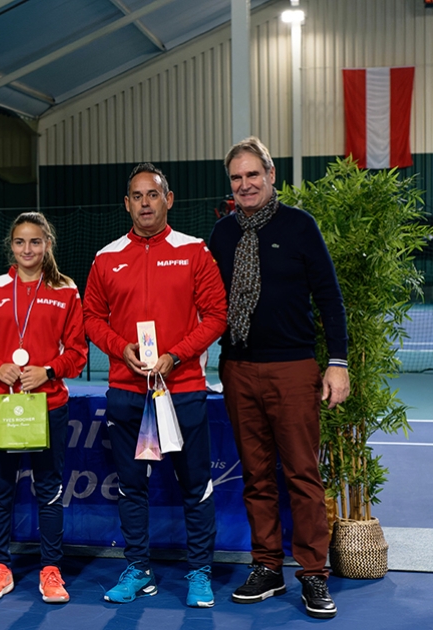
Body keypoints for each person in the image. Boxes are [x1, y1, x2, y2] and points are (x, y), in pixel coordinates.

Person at [208, 137, 349, 620]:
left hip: (293, 369)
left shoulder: (300, 226)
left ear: (270, 175)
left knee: (303, 475)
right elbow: (206, 306)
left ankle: (312, 573)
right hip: (238, 369)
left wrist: (339, 362)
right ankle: (267, 566)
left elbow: (330, 298)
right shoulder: (221, 235)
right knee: (255, 475)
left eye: (252, 174)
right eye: (236, 177)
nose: (245, 184)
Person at [84, 163, 228, 608]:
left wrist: (177, 355)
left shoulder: (195, 251)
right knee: (131, 486)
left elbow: (217, 315)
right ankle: (138, 569)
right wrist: (120, 347)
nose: (145, 202)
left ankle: (200, 572)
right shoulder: (106, 258)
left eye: (153, 194)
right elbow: (91, 317)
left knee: (195, 485)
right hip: (127, 392)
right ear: (126, 203)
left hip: (181, 389)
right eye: (136, 195)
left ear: (169, 199)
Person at [0, 212, 87, 604]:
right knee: (0, 487)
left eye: (35, 242)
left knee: (50, 488)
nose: (27, 249)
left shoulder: (66, 291)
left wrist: (49, 370)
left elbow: (78, 352)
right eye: (20, 242)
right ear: (11, 246)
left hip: (48, 402)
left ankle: (50, 570)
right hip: (0, 403)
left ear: (47, 245)